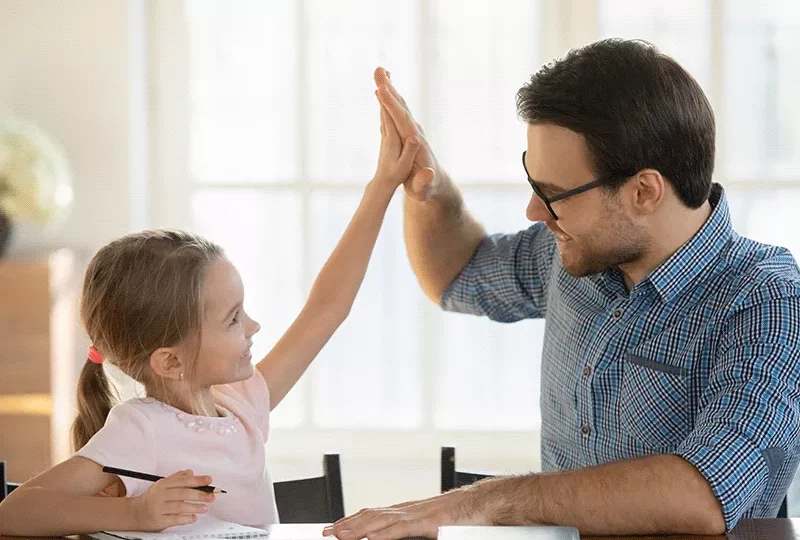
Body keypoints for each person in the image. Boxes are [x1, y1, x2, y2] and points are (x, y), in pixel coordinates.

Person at [324, 39, 800, 539]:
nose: (534, 211)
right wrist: (430, 188)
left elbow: (705, 495)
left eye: (553, 195)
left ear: (644, 191)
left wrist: (482, 502)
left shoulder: (766, 301)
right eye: (534, 183)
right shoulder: (576, 251)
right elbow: (456, 275)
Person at [0, 95, 424, 537]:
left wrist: (383, 185)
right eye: (233, 319)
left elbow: (328, 307)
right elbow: (11, 513)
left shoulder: (242, 402)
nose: (253, 327)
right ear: (170, 361)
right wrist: (134, 514)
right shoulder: (140, 429)